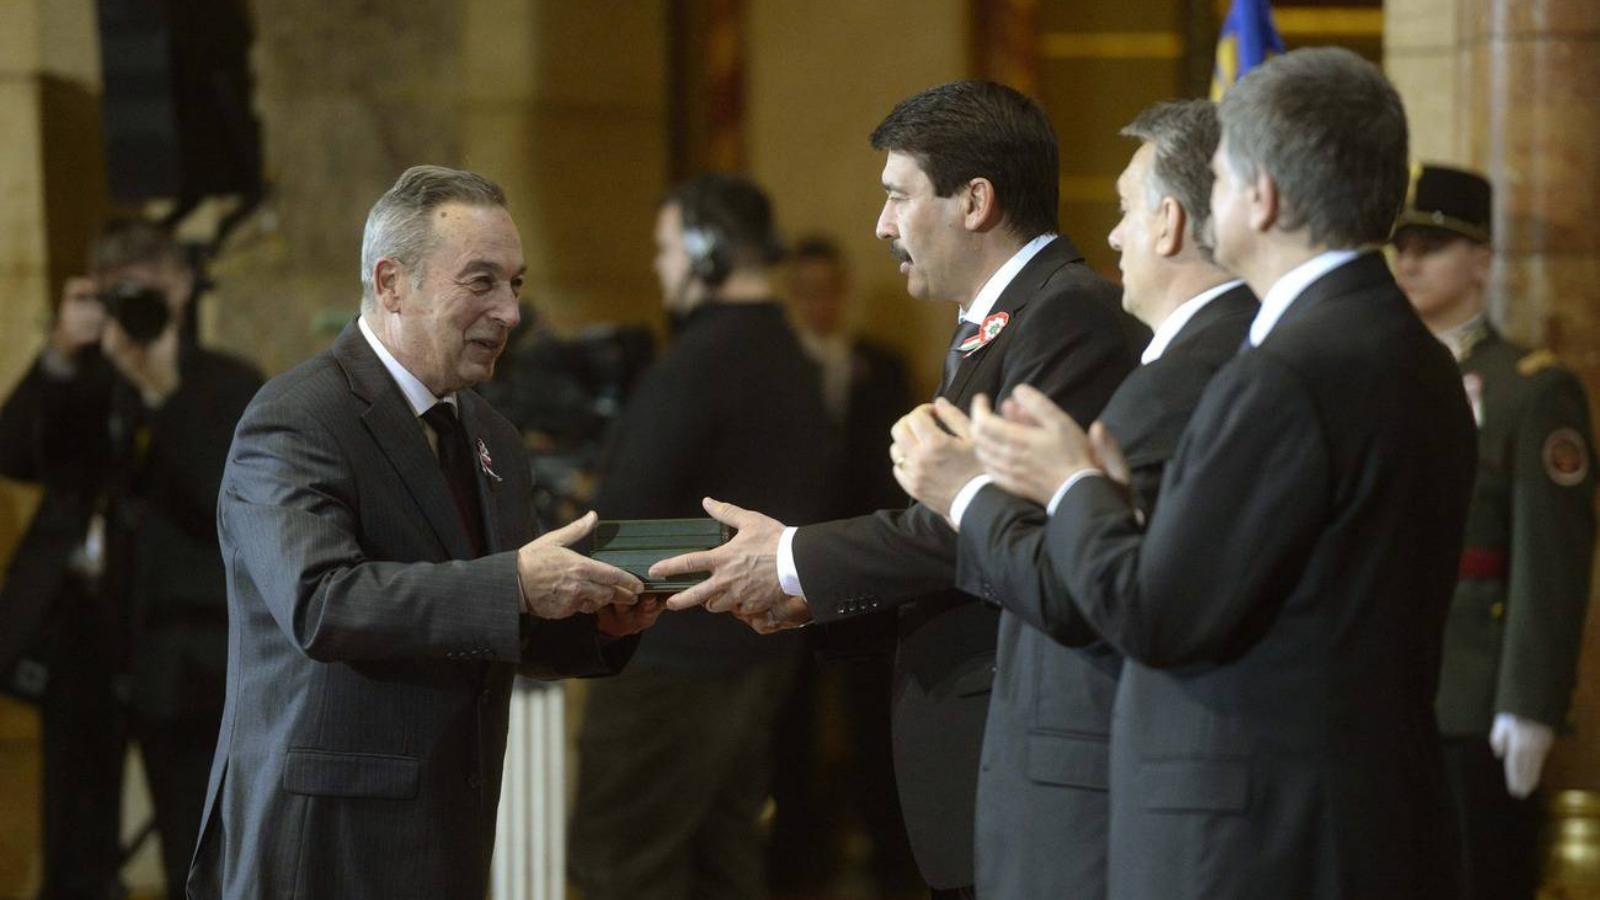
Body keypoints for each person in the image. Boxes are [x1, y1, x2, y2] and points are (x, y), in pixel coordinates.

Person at [953, 48, 1475, 898]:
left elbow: (1158, 614)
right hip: (1365, 817)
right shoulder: (1413, 351)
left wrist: (1070, 484)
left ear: (1260, 196)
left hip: (1262, 839)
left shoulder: (1287, 373)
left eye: (1222, 175)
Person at [655, 80, 1143, 898]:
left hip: (1024, 758)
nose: (882, 225)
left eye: (897, 196)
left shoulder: (1067, 316)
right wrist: (811, 592)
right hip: (981, 761)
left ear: (975, 202)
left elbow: (984, 524)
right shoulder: (1010, 319)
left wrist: (793, 560)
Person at [185, 165, 659, 900]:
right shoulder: (297, 418)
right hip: (323, 840)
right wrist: (516, 584)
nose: (509, 312)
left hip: (448, 831)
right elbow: (321, 603)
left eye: (516, 284)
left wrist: (599, 621)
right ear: (391, 282)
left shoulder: (491, 433)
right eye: (481, 282)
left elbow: (494, 618)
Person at [891, 98, 1256, 899]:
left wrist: (969, 492)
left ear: (1167, 222)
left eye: (1125, 213)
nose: (1113, 238)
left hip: (1100, 788)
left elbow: (1090, 592)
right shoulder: (1188, 363)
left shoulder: (1178, 374)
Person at [567, 173, 837, 900]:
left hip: (675, 666)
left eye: (664, 248)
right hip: (754, 659)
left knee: (621, 866)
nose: (659, 268)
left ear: (703, 249)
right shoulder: (788, 354)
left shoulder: (700, 360)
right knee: (724, 865)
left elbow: (622, 508)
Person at [0, 220, 263, 900]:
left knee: (199, 844)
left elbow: (224, 500)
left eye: (149, 293)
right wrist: (59, 354)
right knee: (74, 848)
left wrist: (160, 392)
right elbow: (14, 455)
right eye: (118, 296)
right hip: (84, 636)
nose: (134, 312)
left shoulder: (224, 385)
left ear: (182, 293)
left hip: (185, 646)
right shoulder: (80, 377)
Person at [1394, 163, 1596, 900]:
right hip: (1383, 689)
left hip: (1475, 697)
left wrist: (1531, 701)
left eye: (1432, 245)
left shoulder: (1531, 389)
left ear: (1481, 259)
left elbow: (1552, 560)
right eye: (1401, 244)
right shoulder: (1384, 373)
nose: (1409, 260)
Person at [772, 235, 919, 898]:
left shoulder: (882, 368)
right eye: (804, 293)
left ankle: (890, 861)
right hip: (783, 571)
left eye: (827, 291)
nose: (818, 306)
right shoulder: (771, 373)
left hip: (866, 575)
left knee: (873, 723)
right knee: (790, 731)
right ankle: (797, 866)